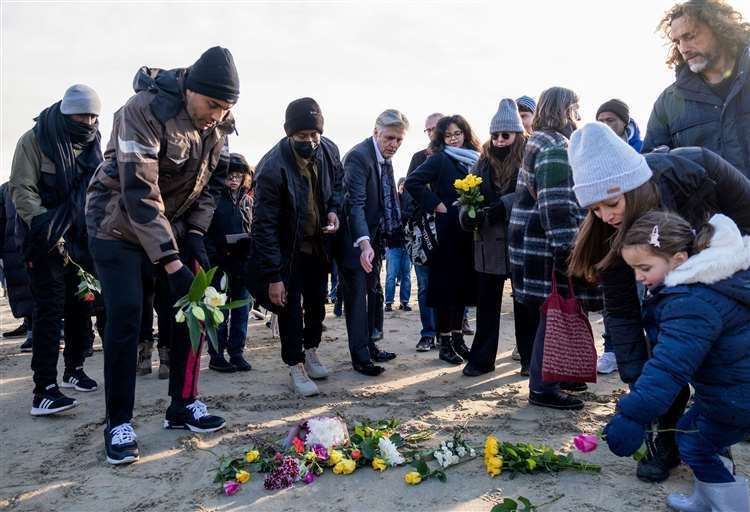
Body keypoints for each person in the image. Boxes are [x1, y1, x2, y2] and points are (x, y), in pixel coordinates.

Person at [568, 121, 750, 482]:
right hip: (668, 284)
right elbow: (621, 310)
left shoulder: (697, 169)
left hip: (724, 267)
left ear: (634, 185)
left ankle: (716, 433)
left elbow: (747, 209)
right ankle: (665, 435)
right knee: (664, 353)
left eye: (611, 202)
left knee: (713, 354)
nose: (606, 216)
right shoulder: (610, 231)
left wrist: (731, 271)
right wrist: (637, 381)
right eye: (594, 209)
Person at [86, 47, 239, 464]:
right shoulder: (143, 109)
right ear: (190, 89)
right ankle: (118, 422)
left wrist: (192, 235)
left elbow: (212, 186)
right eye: (212, 105)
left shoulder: (219, 125)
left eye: (225, 109)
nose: (217, 115)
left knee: (194, 309)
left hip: (171, 229)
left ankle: (183, 404)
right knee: (128, 316)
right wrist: (171, 261)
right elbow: (138, 191)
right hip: (116, 226)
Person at [604, 211, 750, 511]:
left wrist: (632, 417)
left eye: (644, 267)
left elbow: (667, 368)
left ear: (679, 260)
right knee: (690, 431)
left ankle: (732, 505)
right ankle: (707, 498)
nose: (638, 276)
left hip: (738, 394)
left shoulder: (690, 302)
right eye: (633, 268)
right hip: (729, 388)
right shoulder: (699, 284)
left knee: (696, 444)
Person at [10, 84, 103, 417]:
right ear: (67, 113)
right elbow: (23, 191)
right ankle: (44, 390)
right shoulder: (34, 140)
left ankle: (74, 369)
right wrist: (50, 233)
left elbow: (97, 191)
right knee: (49, 313)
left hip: (82, 241)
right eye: (82, 115)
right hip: (43, 237)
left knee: (82, 307)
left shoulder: (93, 144)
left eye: (94, 115)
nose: (89, 121)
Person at [508, 87, 602, 411]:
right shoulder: (555, 147)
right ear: (566, 110)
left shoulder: (538, 141)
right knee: (555, 311)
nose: (579, 116)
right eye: (577, 109)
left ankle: (553, 377)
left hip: (531, 242)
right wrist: (567, 249)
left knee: (550, 313)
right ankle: (544, 388)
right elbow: (556, 203)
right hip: (545, 246)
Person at [249, 97, 342, 396]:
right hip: (288, 250)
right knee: (288, 308)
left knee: (317, 304)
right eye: (303, 137)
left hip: (319, 246)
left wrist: (333, 211)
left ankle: (311, 350)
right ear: (289, 134)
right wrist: (274, 275)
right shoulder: (271, 168)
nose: (310, 141)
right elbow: (263, 227)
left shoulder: (328, 150)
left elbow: (338, 185)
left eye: (315, 135)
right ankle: (295, 365)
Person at [643, 0, 750, 177]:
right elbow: (653, 172)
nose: (683, 48)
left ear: (719, 29)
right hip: (708, 205)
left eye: (690, 36)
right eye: (677, 41)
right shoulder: (667, 103)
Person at [405, 114, 480, 365]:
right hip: (446, 234)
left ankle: (459, 339)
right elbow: (412, 182)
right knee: (447, 291)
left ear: (465, 133)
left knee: (462, 290)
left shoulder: (476, 159)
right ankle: (445, 343)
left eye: (458, 133)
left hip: (468, 234)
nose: (454, 139)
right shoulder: (439, 159)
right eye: (448, 135)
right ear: (441, 138)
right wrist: (435, 204)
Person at [338, 110, 408, 376]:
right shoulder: (359, 157)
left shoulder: (385, 161)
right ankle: (360, 357)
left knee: (374, 292)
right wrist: (364, 244)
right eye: (390, 138)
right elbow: (355, 205)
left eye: (399, 140)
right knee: (357, 296)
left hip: (375, 237)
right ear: (376, 132)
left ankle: (371, 345)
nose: (394, 144)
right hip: (354, 240)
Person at [461, 99, 526, 377]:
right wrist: (468, 215)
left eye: (506, 135)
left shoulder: (528, 157)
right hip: (487, 243)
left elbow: (532, 192)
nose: (499, 140)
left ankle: (528, 357)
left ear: (517, 135)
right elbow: (465, 196)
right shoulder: (482, 161)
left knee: (526, 307)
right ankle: (481, 360)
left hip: (520, 242)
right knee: (487, 306)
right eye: (495, 135)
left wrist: (506, 204)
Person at [205, 153, 253, 373]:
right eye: (229, 176)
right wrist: (216, 251)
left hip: (242, 262)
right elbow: (204, 232)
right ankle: (217, 354)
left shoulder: (247, 200)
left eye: (238, 175)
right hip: (219, 263)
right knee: (219, 311)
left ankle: (237, 352)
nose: (234, 180)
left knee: (242, 309)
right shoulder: (212, 198)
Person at [405, 113, 442, 351]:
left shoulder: (456, 156)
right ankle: (428, 333)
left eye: (434, 129)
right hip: (421, 231)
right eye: (427, 130)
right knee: (426, 284)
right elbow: (409, 191)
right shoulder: (419, 157)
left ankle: (446, 333)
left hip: (448, 229)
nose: (430, 133)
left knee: (447, 284)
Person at [0, 182, 33, 351]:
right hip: (12, 247)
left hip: (36, 242)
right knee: (22, 290)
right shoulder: (5, 189)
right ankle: (30, 330)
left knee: (41, 289)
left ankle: (42, 330)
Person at [384, 178, 412, 313]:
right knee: (391, 275)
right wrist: (399, 196)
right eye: (402, 185)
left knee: (406, 275)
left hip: (406, 244)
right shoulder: (393, 200)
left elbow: (409, 215)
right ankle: (388, 302)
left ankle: (404, 302)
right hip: (393, 244)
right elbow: (395, 215)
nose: (404, 187)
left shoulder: (411, 200)